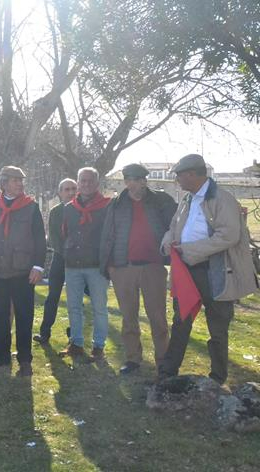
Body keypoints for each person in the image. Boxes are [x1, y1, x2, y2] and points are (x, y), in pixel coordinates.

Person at [158, 154, 258, 384]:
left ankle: (217, 376)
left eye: (179, 175)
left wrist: (190, 250)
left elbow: (229, 235)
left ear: (192, 174)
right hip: (187, 271)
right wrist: (167, 242)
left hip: (216, 270)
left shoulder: (223, 199)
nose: (177, 180)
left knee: (218, 325)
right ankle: (168, 372)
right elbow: (173, 227)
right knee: (181, 320)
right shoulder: (187, 200)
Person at [100, 164, 177, 375]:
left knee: (158, 317)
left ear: (145, 181)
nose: (135, 183)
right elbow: (107, 235)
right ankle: (133, 358)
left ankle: (163, 359)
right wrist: (108, 266)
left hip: (153, 266)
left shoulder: (161, 201)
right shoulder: (116, 204)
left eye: (139, 179)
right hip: (124, 268)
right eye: (130, 179)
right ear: (125, 181)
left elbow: (177, 226)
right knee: (129, 317)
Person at [0, 166, 46, 377]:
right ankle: (1, 356)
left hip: (23, 270)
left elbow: (39, 239)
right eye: (16, 180)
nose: (20, 184)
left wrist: (38, 266)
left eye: (21, 180)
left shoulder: (31, 207)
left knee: (25, 316)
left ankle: (25, 359)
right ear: (4, 183)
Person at [59, 167, 111, 362]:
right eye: (83, 181)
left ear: (97, 183)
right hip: (73, 264)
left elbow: (110, 236)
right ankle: (77, 343)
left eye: (90, 181)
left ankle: (98, 346)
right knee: (73, 307)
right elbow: (65, 232)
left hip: (96, 265)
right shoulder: (69, 208)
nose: (86, 184)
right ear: (78, 183)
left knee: (99, 307)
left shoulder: (107, 206)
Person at [33, 178, 77, 344]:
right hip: (60, 258)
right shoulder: (56, 212)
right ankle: (45, 333)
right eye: (67, 189)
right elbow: (53, 237)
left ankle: (74, 333)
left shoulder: (82, 209)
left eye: (73, 189)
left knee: (75, 299)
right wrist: (67, 253)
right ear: (60, 193)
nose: (71, 192)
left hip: (78, 262)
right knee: (52, 297)